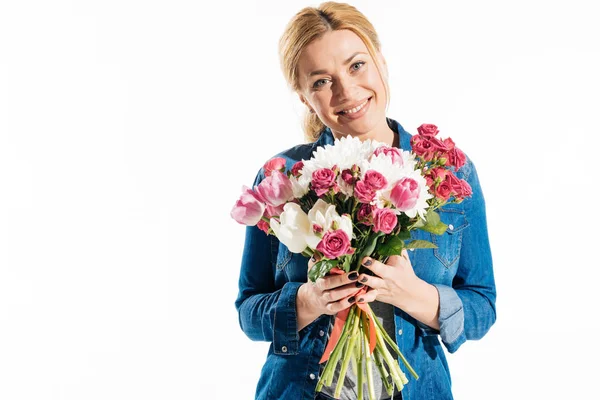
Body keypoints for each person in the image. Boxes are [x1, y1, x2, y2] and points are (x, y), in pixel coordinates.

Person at [234, 2, 496, 399]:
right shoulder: (284, 178)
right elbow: (249, 310)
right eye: (321, 81)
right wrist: (307, 300)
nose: (346, 91)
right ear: (305, 98)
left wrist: (414, 295)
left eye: (356, 65)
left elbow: (483, 307)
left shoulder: (447, 175)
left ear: (381, 63)